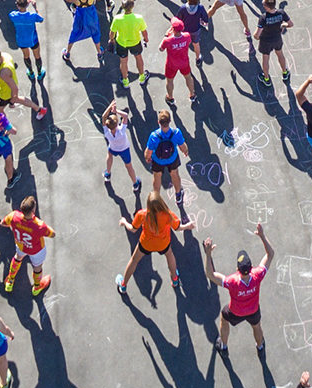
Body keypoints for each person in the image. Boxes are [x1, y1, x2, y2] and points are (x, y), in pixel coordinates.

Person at [205, 223, 273, 354]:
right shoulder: (257, 275)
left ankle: (223, 346)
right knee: (256, 326)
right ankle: (260, 346)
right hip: (253, 310)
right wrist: (262, 236)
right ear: (251, 266)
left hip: (236, 312)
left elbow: (210, 275)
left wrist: (208, 255)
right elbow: (270, 254)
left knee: (224, 318)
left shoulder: (232, 282)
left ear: (237, 269)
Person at [117, 189, 194, 294]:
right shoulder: (168, 215)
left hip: (146, 244)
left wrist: (124, 222)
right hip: (163, 243)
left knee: (134, 260)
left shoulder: (142, 215)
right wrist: (187, 226)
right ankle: (175, 280)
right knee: (170, 256)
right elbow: (177, 228)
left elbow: (133, 229)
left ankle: (123, 285)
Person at [0, 195, 55, 295]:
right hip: (36, 250)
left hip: (21, 245)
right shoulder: (39, 225)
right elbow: (52, 234)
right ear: (33, 209)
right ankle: (37, 287)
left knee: (17, 258)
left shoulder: (14, 216)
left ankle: (10, 281)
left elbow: (2, 223)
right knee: (37, 267)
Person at [144, 108, 189, 198]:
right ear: (170, 121)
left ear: (158, 122)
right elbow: (183, 147)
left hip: (158, 160)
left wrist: (147, 157)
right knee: (174, 174)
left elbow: (148, 152)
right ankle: (178, 195)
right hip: (172, 158)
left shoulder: (154, 136)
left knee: (157, 177)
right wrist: (185, 151)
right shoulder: (176, 133)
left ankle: (156, 198)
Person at [101, 101, 142, 191]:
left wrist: (109, 107)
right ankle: (135, 183)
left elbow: (103, 117)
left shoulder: (107, 132)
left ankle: (108, 173)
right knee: (128, 166)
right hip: (124, 150)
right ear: (117, 123)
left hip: (113, 148)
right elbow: (126, 116)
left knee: (109, 154)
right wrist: (116, 110)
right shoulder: (121, 131)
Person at [254, 0, 292, 89]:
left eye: (263, 4)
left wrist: (256, 37)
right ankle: (284, 72)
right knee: (280, 55)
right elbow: (290, 24)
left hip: (266, 41)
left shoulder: (263, 18)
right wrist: (283, 25)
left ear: (266, 7)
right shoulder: (281, 13)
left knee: (265, 59)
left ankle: (266, 79)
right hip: (277, 39)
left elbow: (257, 35)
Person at [109, 0, 149, 86]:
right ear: (133, 6)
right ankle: (142, 77)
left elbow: (112, 32)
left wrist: (111, 40)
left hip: (121, 43)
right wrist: (146, 39)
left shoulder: (117, 18)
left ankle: (125, 81)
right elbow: (144, 31)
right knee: (138, 58)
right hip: (135, 42)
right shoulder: (138, 18)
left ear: (122, 6)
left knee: (123, 62)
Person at [158, 18, 197, 103]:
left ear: (172, 29)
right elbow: (189, 42)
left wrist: (166, 36)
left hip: (171, 64)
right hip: (184, 62)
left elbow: (160, 49)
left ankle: (170, 98)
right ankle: (192, 95)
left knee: (169, 80)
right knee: (188, 77)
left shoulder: (168, 40)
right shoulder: (187, 36)